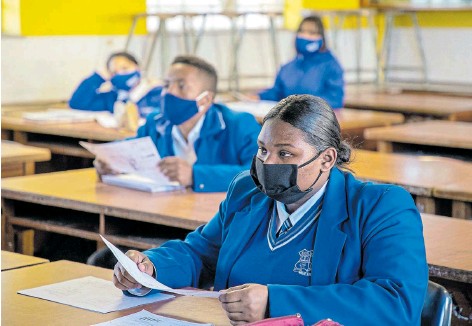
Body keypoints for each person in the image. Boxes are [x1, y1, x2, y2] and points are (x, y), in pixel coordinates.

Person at [112, 94, 428, 325]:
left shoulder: (380, 207)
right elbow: (201, 253)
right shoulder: (247, 192)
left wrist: (274, 302)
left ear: (327, 159)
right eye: (263, 149)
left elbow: (396, 304)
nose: (268, 164)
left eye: (285, 153)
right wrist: (152, 267)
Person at [95, 55, 261, 193]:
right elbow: (132, 147)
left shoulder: (239, 125)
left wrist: (195, 176)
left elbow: (260, 174)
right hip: (165, 210)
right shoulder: (156, 122)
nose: (169, 92)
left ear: (206, 99)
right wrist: (112, 161)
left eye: (181, 85)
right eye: (167, 84)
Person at [256, 16, 344, 109]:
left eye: (312, 33)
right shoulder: (288, 67)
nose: (305, 36)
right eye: (302, 31)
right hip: (289, 117)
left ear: (321, 38)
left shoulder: (331, 66)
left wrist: (304, 105)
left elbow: (335, 99)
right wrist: (260, 96)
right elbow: (278, 92)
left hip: (316, 120)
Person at [69, 51, 162, 117]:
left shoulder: (157, 92)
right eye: (114, 72)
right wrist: (98, 77)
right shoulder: (113, 98)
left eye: (125, 68)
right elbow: (78, 103)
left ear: (138, 67)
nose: (120, 73)